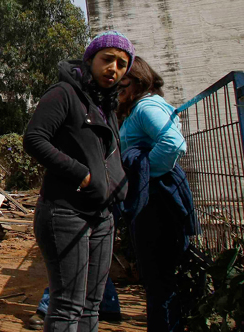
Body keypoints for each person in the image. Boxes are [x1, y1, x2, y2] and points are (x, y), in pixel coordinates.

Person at [23, 31, 133, 331]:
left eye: (122, 64)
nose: (113, 68)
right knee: (67, 306)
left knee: (91, 306)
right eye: (107, 59)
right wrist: (82, 175)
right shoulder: (64, 94)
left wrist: (116, 183)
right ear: (90, 60)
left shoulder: (106, 105)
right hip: (65, 212)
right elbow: (34, 139)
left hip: (102, 215)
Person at [117, 57, 198, 332]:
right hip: (151, 200)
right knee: (157, 279)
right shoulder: (136, 109)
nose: (118, 91)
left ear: (138, 80)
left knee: (158, 280)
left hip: (157, 202)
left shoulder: (145, 107)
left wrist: (145, 175)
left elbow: (173, 144)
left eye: (122, 84)